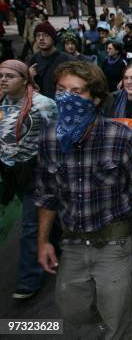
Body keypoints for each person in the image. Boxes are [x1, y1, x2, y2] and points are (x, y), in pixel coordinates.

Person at [34, 61, 132, 338]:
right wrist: (43, 240)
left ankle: (118, 312)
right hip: (72, 242)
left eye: (77, 91)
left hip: (113, 241)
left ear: (95, 98)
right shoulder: (48, 139)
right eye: (61, 90)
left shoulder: (121, 137)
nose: (67, 98)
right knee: (73, 310)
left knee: (116, 320)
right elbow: (47, 195)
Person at [0, 60, 57, 299]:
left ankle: (29, 279)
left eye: (10, 76)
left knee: (31, 227)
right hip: (7, 173)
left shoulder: (43, 105)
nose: (3, 80)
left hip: (35, 172)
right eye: (1, 76)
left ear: (25, 79)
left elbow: (59, 134)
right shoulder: (1, 104)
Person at [28, 22, 75, 99]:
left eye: (45, 35)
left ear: (53, 38)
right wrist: (29, 76)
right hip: (40, 104)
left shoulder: (68, 60)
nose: (41, 38)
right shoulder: (34, 59)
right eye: (38, 35)